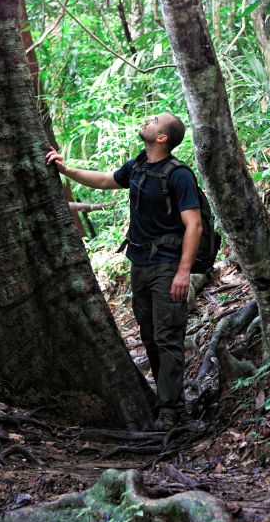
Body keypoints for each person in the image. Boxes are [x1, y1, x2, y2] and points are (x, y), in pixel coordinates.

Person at [46, 112, 202, 431]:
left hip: (168, 266)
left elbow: (194, 225)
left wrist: (184, 272)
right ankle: (165, 401)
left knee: (168, 335)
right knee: (150, 335)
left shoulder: (179, 175)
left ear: (163, 138)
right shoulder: (139, 165)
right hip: (140, 264)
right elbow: (106, 180)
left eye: (155, 120)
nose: (147, 119)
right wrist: (66, 170)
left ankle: (172, 410)